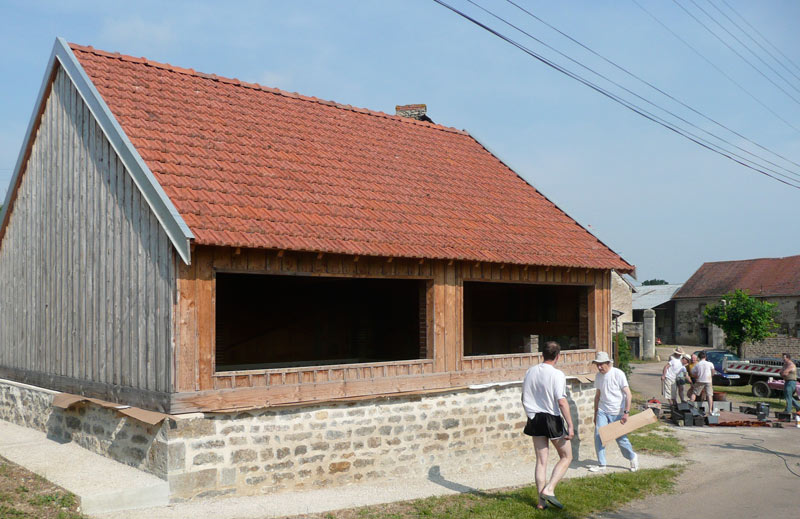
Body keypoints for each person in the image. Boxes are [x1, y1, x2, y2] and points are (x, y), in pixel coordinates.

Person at [521, 341, 575, 510]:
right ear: (558, 356)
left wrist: (529, 413)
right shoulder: (557, 374)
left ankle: (540, 503)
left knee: (541, 461)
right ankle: (549, 489)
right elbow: (561, 401)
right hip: (551, 419)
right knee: (567, 457)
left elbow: (524, 397)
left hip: (534, 418)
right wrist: (571, 425)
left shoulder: (530, 372)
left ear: (542, 355)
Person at [588, 351, 639, 473]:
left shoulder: (618, 374)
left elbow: (628, 394)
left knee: (621, 439)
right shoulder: (598, 376)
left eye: (601, 364)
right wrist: (595, 413)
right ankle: (602, 464)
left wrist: (626, 412)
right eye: (597, 365)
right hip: (602, 410)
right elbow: (597, 395)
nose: (599, 367)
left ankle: (632, 457)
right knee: (598, 435)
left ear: (608, 363)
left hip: (617, 412)